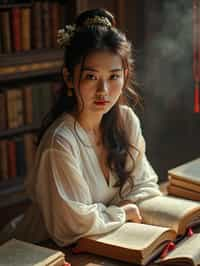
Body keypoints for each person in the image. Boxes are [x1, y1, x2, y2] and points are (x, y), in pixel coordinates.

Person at [0, 8, 161, 247]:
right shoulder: (60, 143)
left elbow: (145, 185)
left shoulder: (126, 121)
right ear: (68, 77)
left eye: (114, 77)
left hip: (103, 240)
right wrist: (122, 213)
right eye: (91, 77)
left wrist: (115, 213)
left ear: (125, 76)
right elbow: (72, 226)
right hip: (41, 250)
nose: (103, 91)